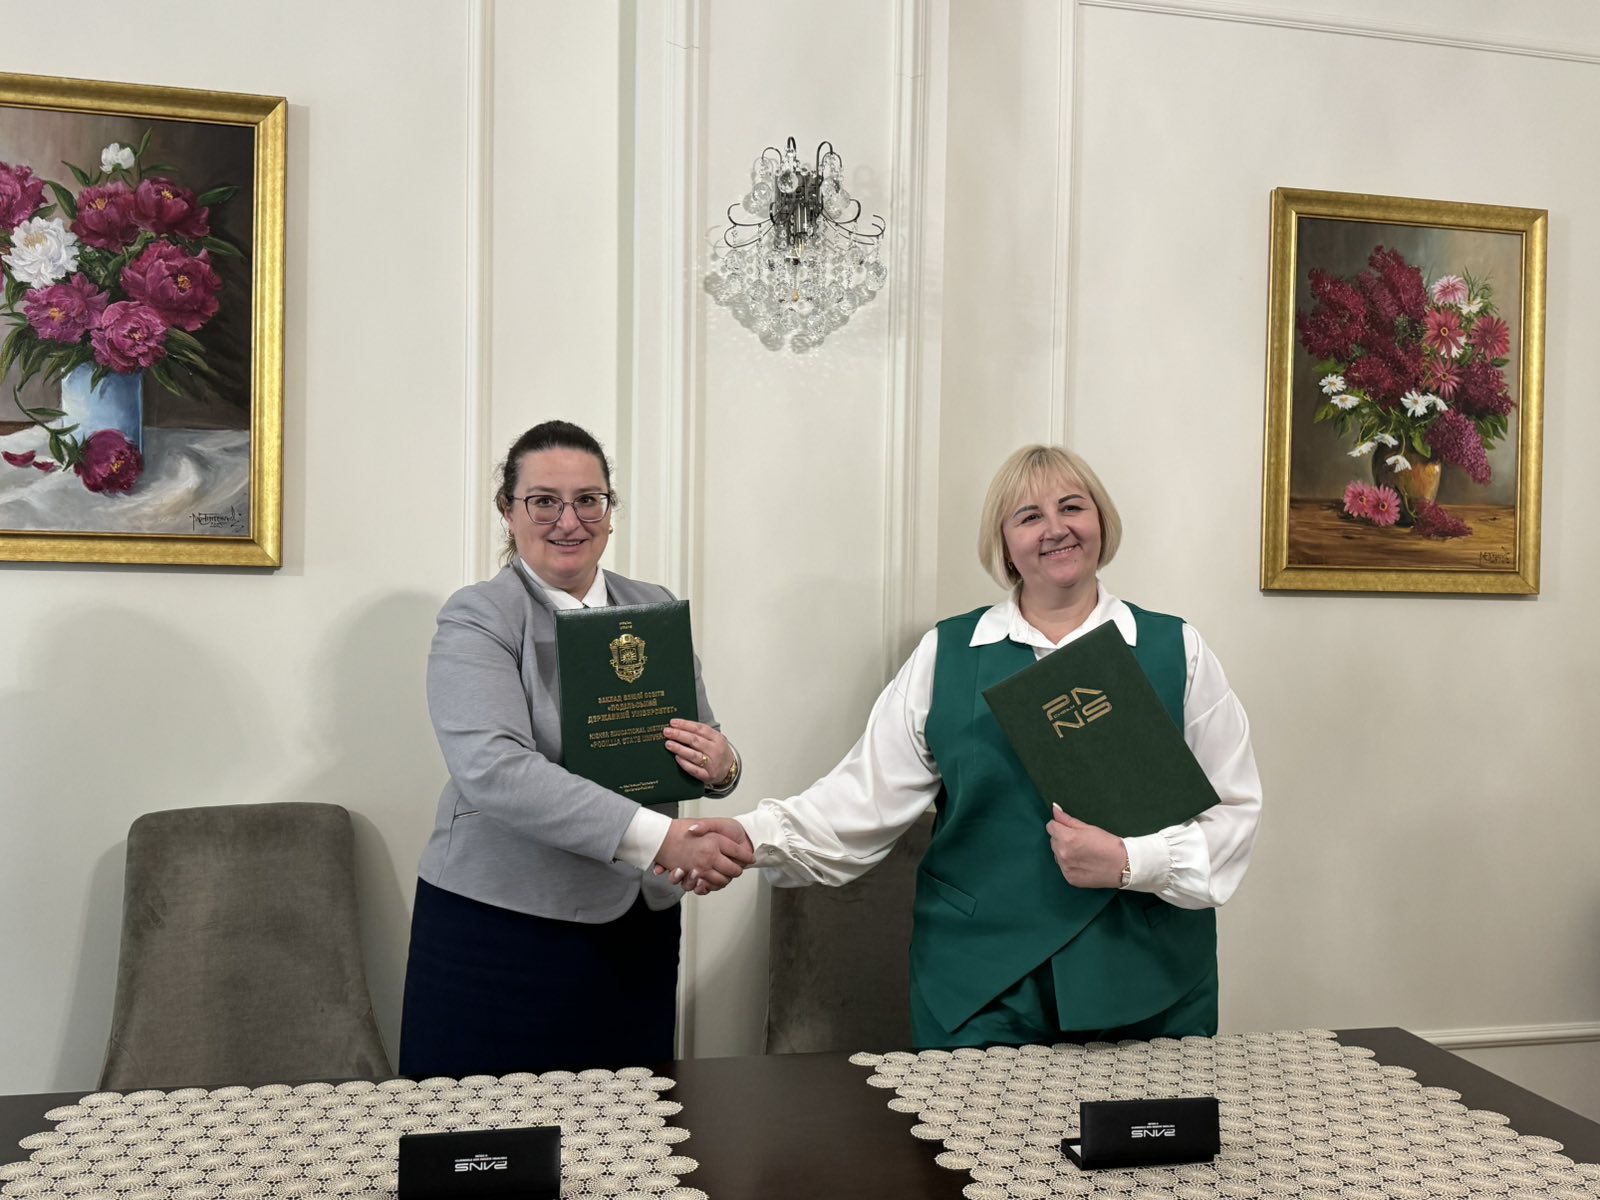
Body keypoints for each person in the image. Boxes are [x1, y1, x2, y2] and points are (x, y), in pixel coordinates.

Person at [703, 444, 1261, 1049]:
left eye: (1072, 507)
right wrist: (750, 836)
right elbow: (863, 799)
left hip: (1150, 979)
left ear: (1100, 519)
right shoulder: (946, 654)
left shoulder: (1177, 649)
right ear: (1004, 543)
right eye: (1029, 516)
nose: (1056, 528)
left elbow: (1233, 811)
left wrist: (1133, 861)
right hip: (981, 986)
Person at [399, 420, 753, 1077]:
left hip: (640, 923)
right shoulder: (479, 616)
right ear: (508, 511)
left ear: (610, 511)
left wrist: (723, 765)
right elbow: (494, 770)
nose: (569, 521)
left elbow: (697, 734)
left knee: (631, 1122)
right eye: (544, 501)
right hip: (504, 925)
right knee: (492, 1130)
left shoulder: (651, 607)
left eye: (589, 500)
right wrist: (664, 840)